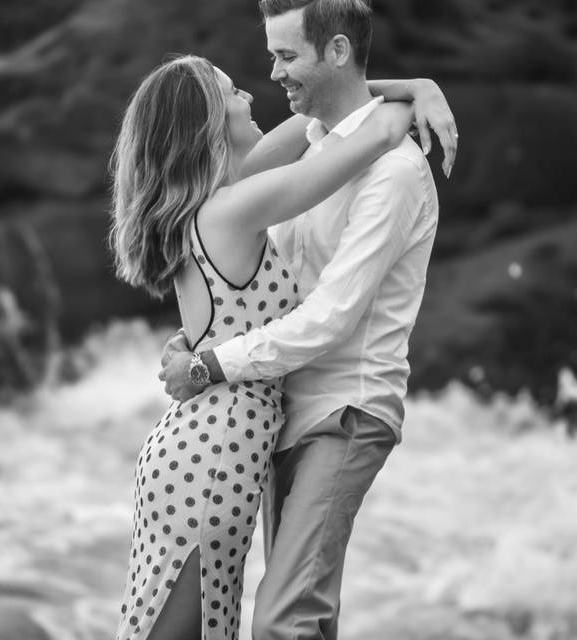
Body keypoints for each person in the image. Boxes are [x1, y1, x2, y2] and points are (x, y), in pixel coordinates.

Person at [111, 51, 454, 640]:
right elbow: (366, 135)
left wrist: (414, 83)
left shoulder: (211, 203)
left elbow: (330, 107)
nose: (251, 97)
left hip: (203, 444)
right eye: (233, 92)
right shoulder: (236, 206)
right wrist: (417, 95)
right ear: (210, 126)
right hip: (217, 451)